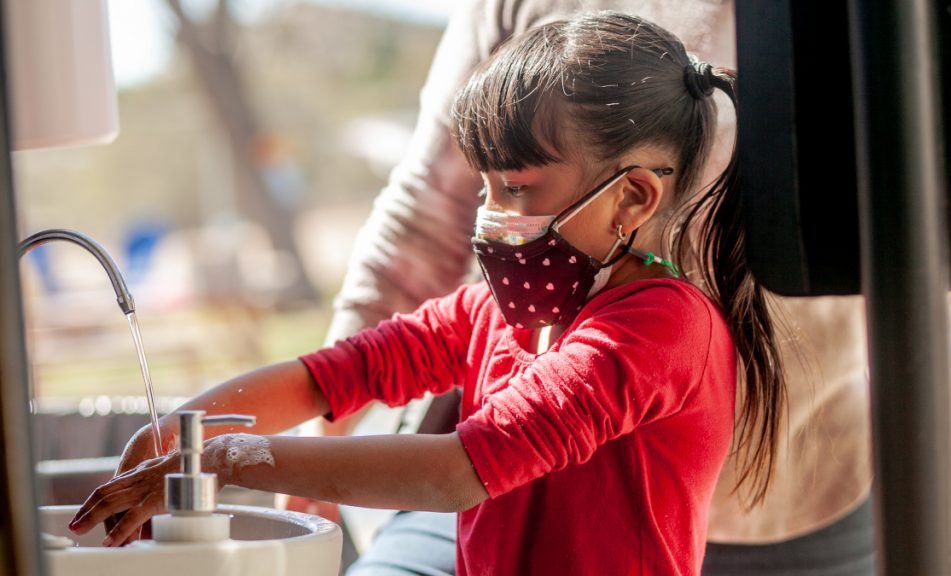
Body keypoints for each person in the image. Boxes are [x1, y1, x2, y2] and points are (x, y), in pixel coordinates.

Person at [69, 12, 788, 575]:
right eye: (486, 186)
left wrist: (223, 460)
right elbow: (335, 376)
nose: (489, 213)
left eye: (517, 187)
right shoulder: (494, 312)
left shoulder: (660, 328)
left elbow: (455, 473)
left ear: (631, 197)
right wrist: (176, 434)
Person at [321, 1, 874, 576]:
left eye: (513, 187)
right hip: (504, 480)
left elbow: (924, 240)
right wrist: (325, 440)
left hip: (786, 500)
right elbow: (425, 220)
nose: (495, 206)